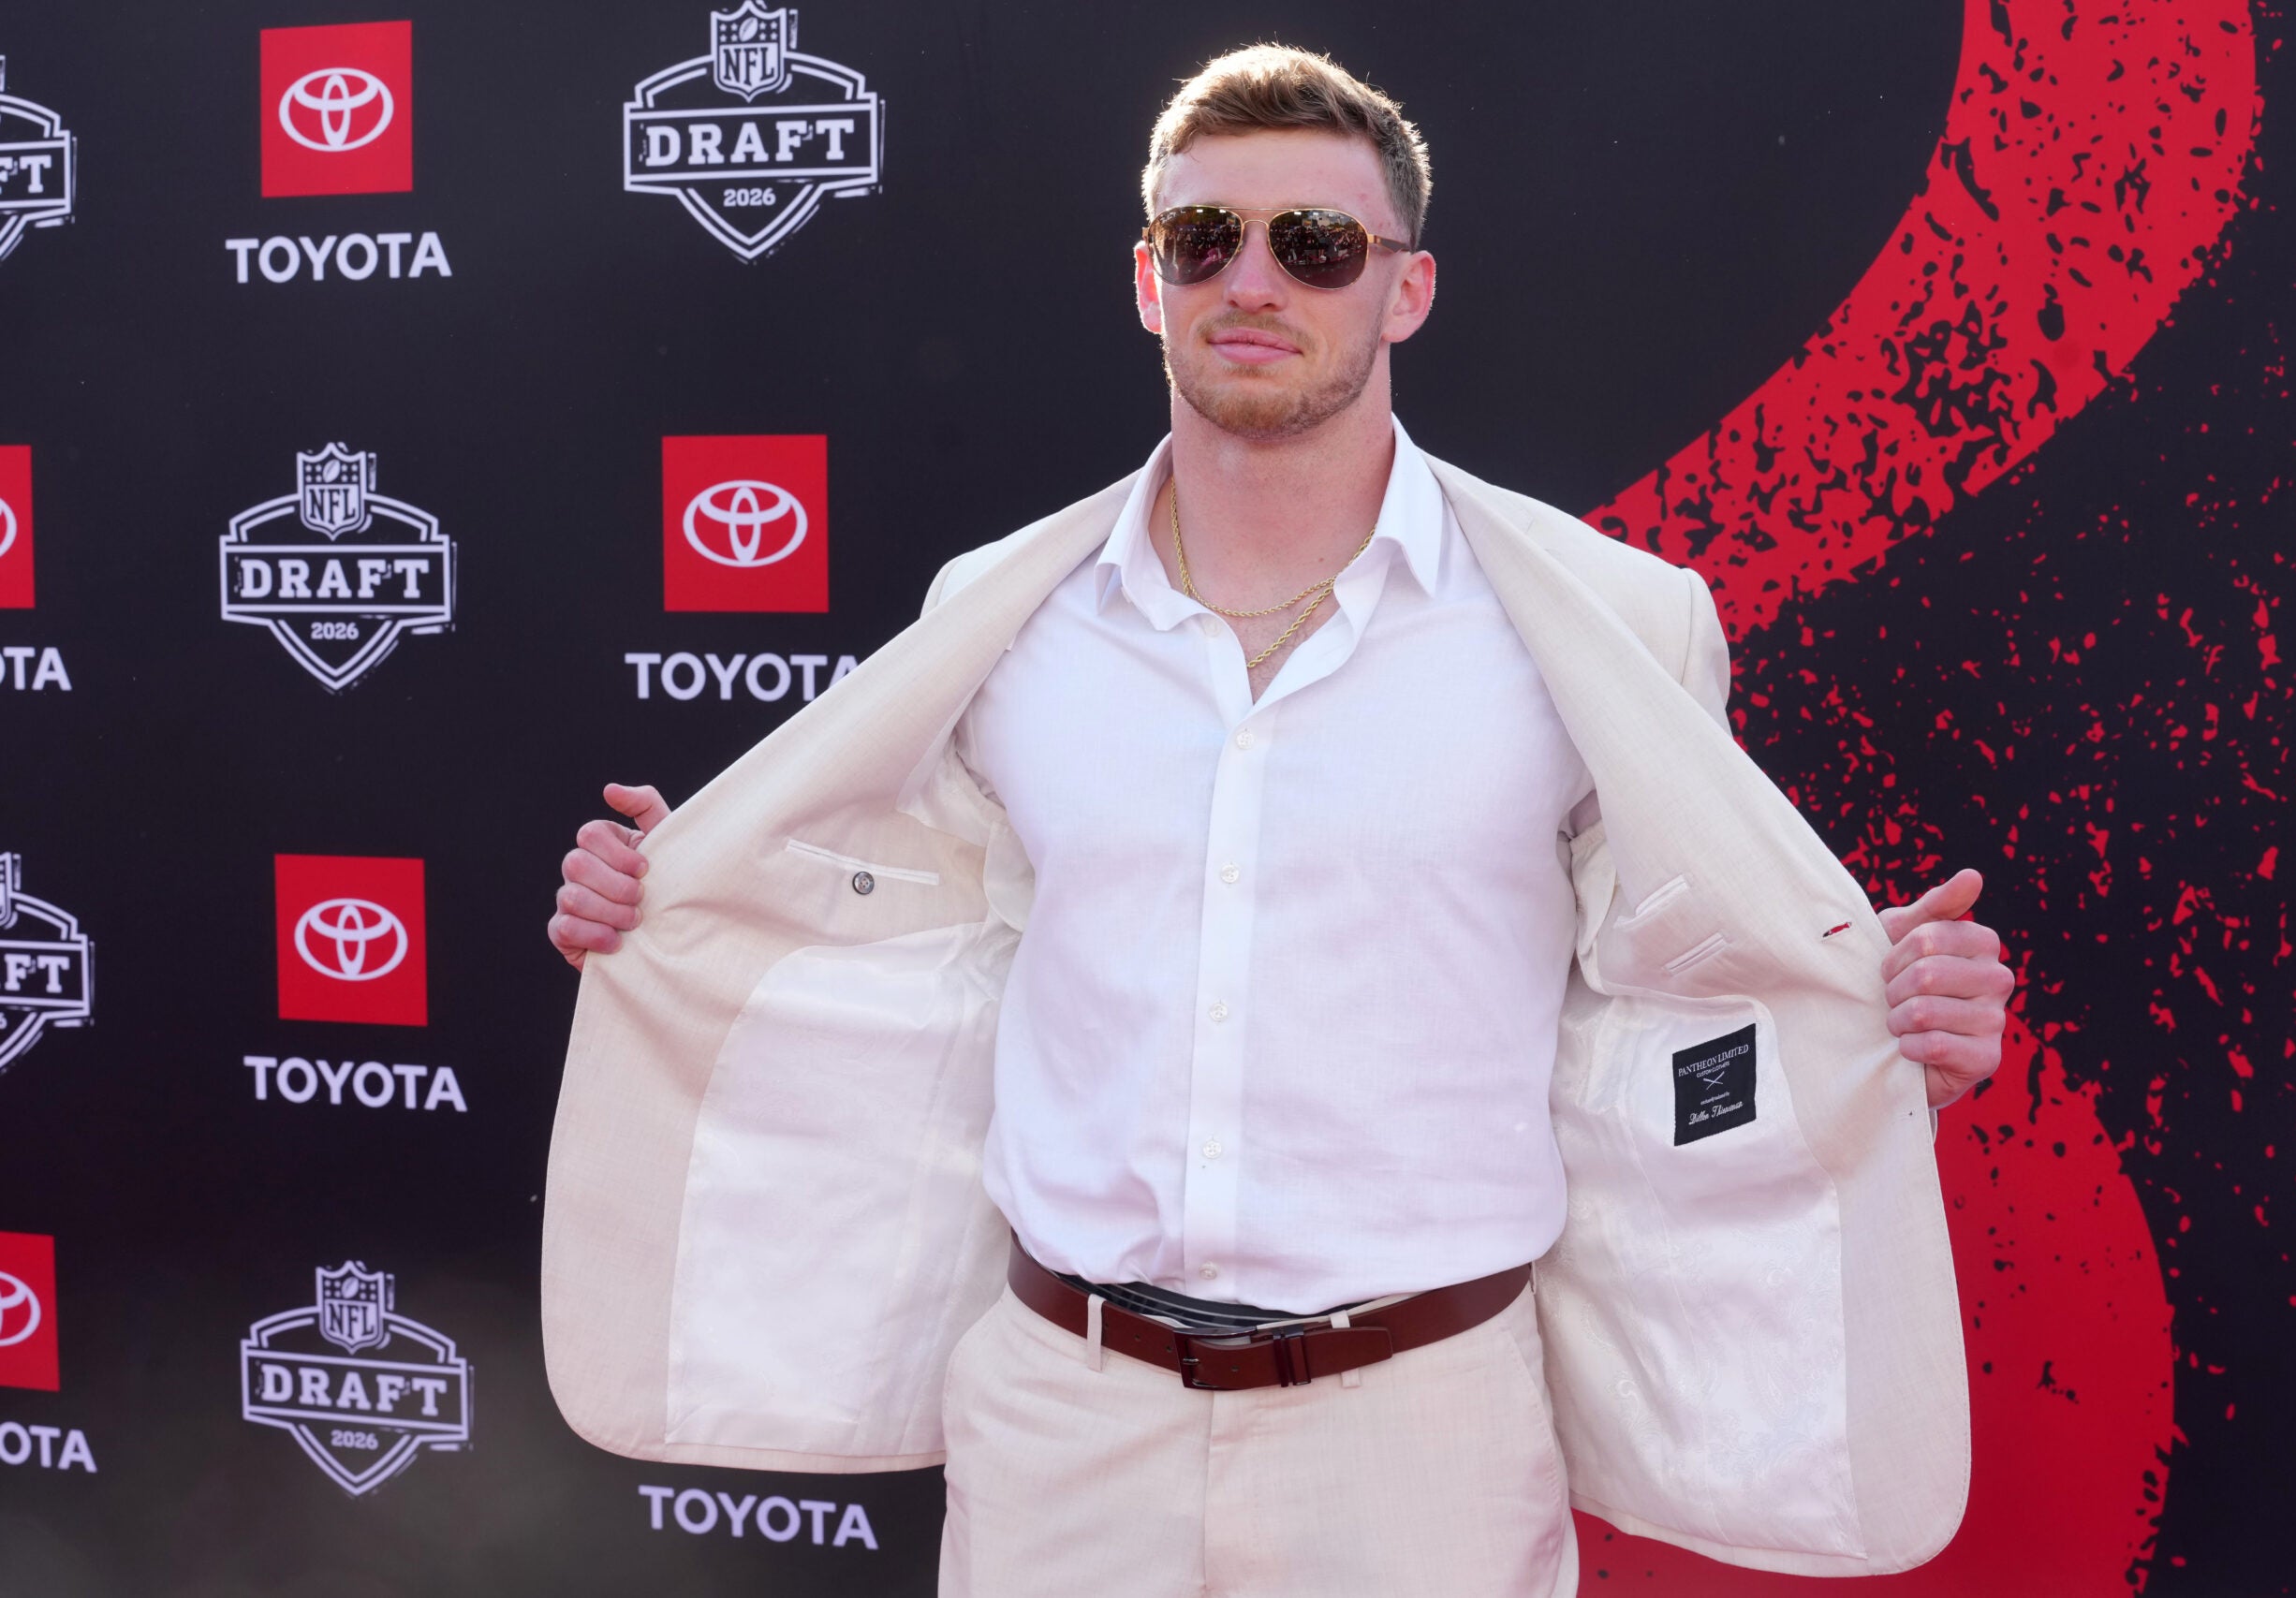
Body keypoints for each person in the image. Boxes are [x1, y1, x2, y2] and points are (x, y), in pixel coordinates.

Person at [542, 45, 2013, 1597]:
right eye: (1204, 241)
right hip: (1059, 1422)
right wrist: (673, 901)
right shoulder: (995, 619)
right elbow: (915, 942)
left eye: (1314, 246)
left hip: (1425, 1443)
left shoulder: (1614, 626)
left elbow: (1677, 986)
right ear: (1147, 278)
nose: (1253, 281)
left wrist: (1887, 1021)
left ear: (1408, 289)